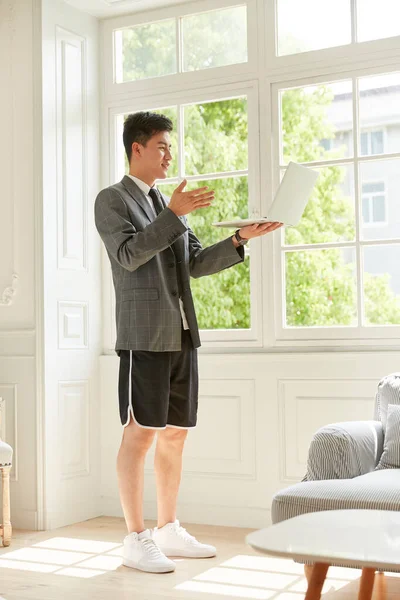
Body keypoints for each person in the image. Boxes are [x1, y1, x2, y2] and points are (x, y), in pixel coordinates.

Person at [94, 111, 282, 574]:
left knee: (176, 435)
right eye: (161, 146)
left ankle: (167, 528)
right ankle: (135, 537)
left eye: (169, 147)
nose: (168, 155)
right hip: (143, 336)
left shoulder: (163, 201)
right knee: (140, 435)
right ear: (136, 148)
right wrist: (173, 215)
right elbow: (129, 254)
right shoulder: (112, 200)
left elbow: (195, 262)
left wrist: (239, 239)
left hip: (181, 335)